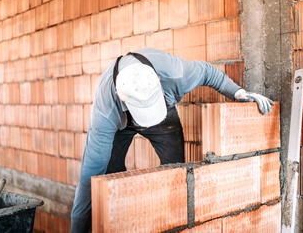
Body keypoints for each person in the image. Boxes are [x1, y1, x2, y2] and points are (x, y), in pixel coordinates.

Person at [70, 47, 274, 232]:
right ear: (120, 96)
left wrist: (239, 92)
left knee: (176, 173)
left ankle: (174, 222)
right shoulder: (105, 111)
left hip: (163, 116)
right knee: (107, 176)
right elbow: (89, 176)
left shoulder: (176, 73)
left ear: (158, 80)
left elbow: (209, 73)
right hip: (121, 123)